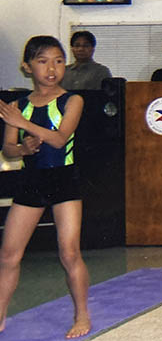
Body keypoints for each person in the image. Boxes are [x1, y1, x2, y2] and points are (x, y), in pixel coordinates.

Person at [0, 36, 90, 338]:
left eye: (58, 61)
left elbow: (60, 138)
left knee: (69, 253)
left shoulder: (72, 100)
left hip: (64, 180)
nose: (52, 68)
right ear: (27, 67)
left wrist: (24, 125)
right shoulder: (17, 106)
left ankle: (82, 314)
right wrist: (23, 150)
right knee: (9, 255)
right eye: (42, 61)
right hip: (32, 181)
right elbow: (8, 150)